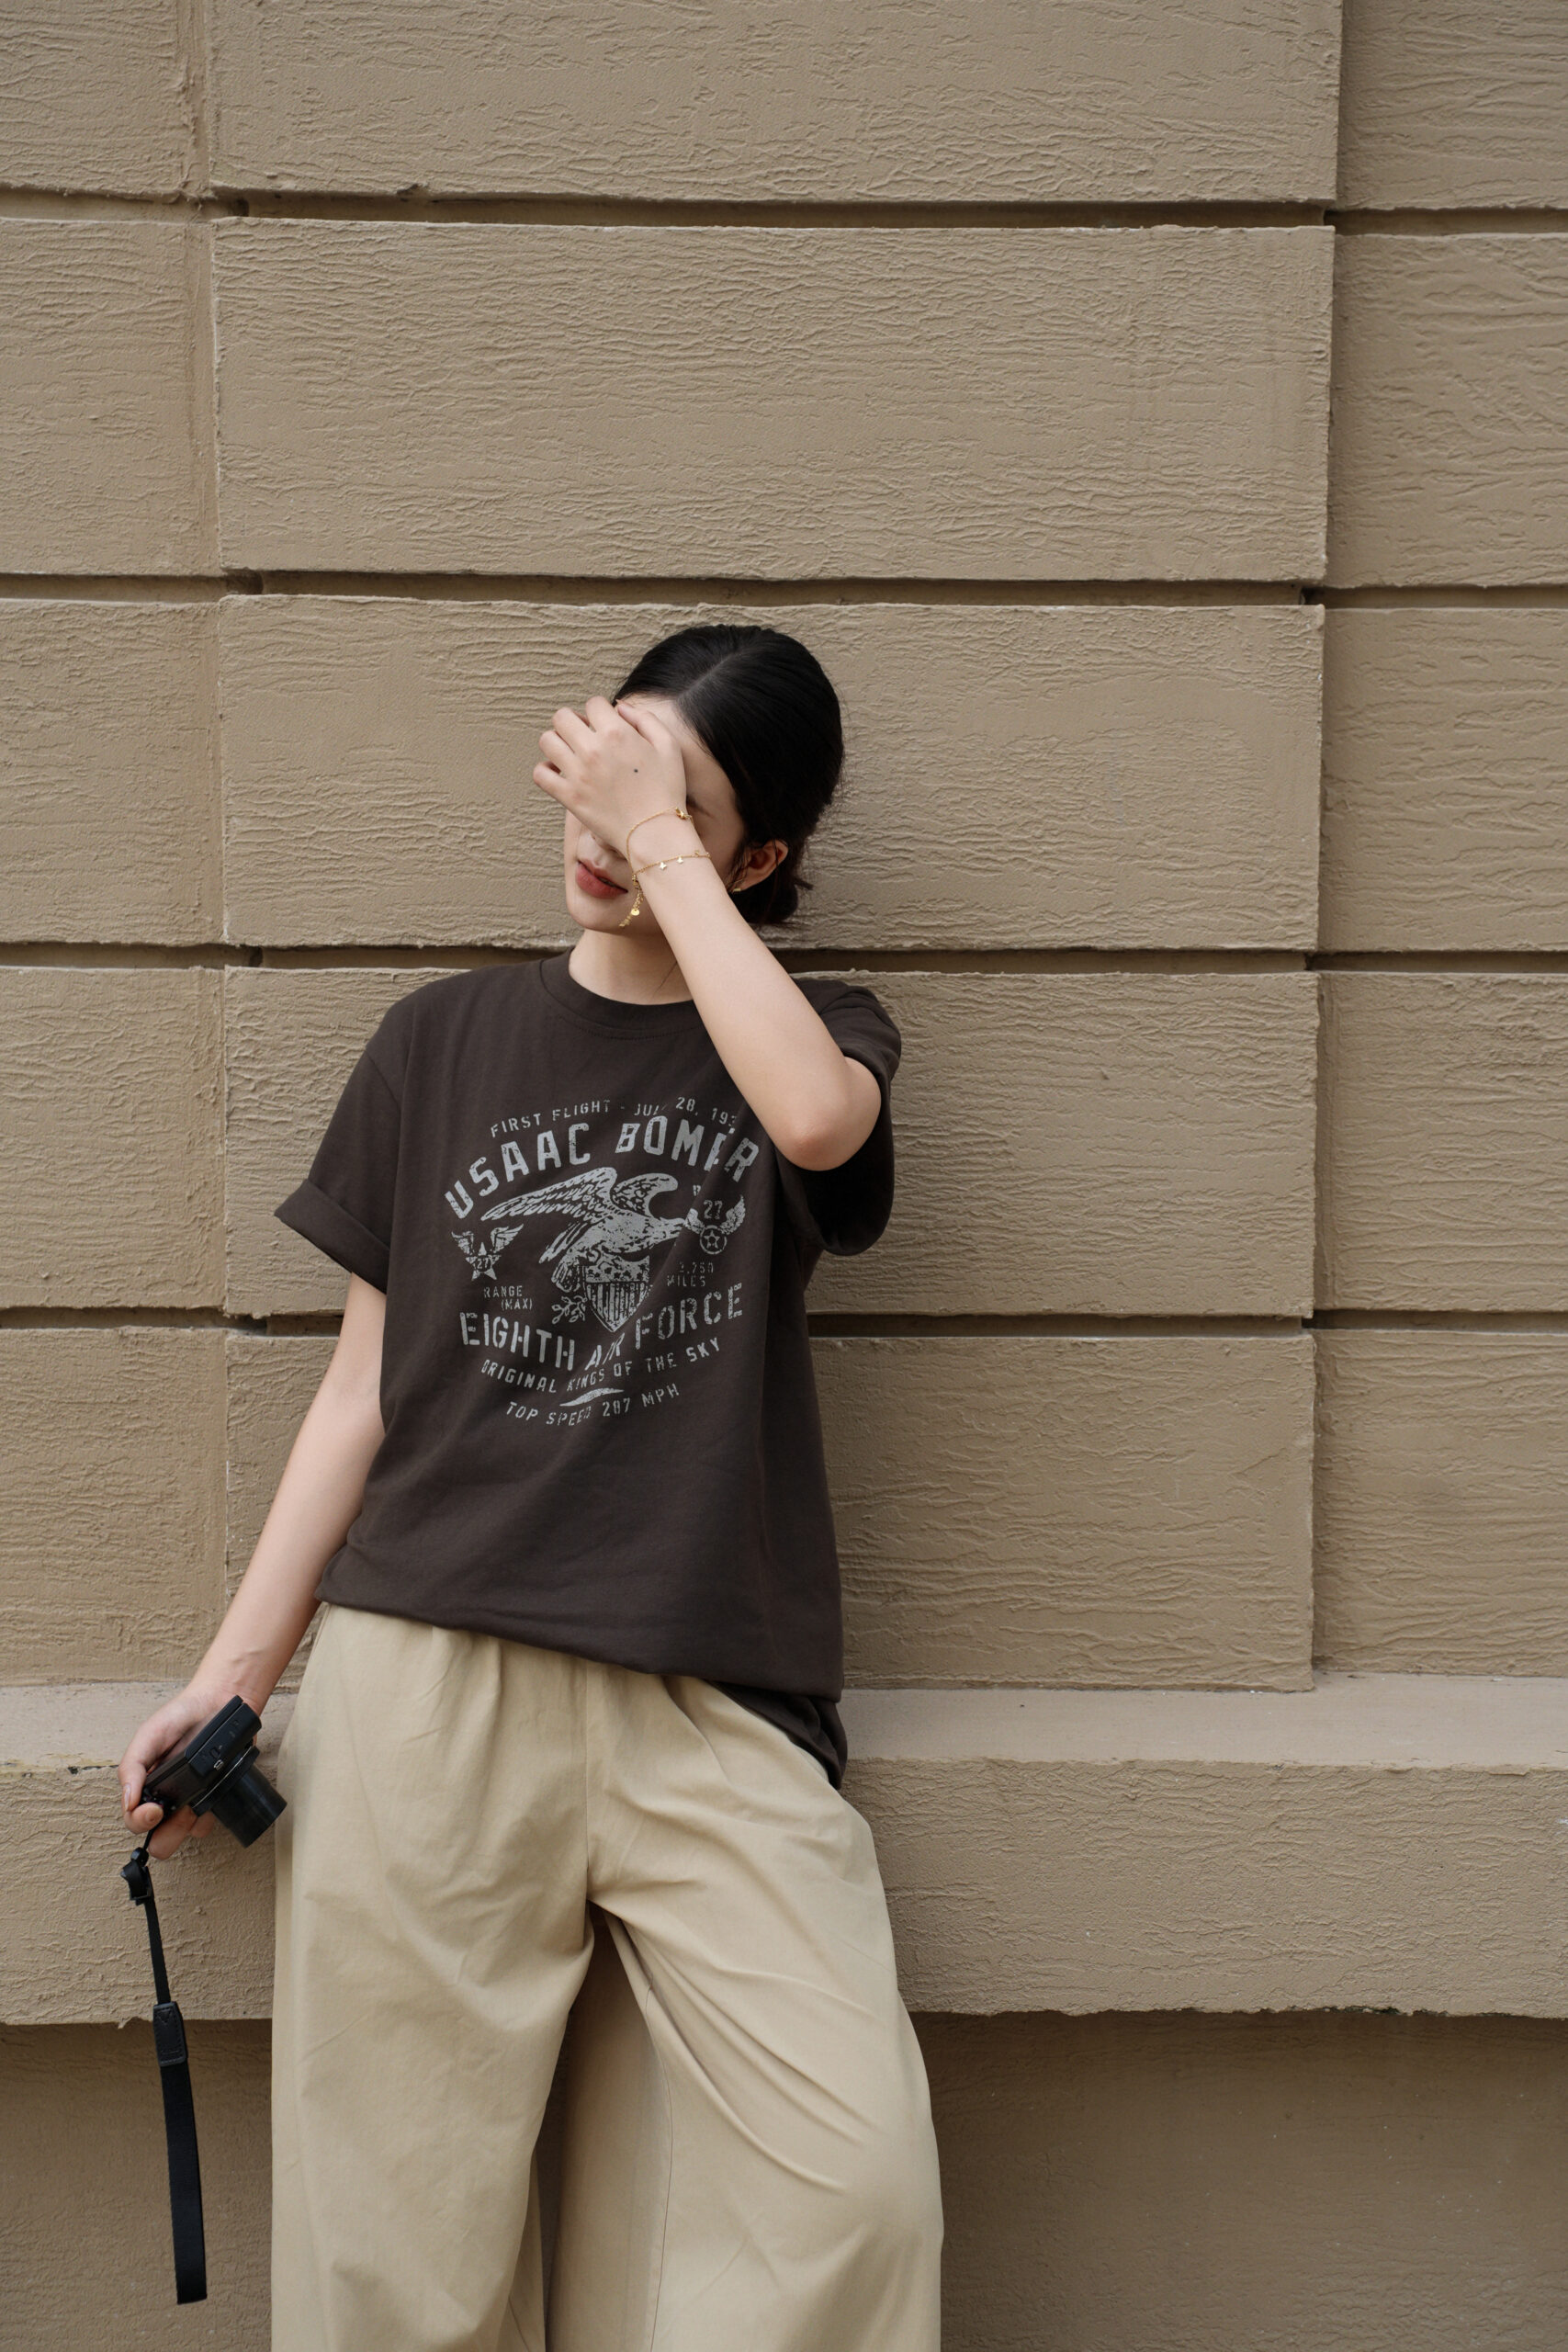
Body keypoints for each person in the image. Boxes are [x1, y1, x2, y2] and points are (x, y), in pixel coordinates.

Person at [118, 623, 944, 2352]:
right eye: (605, 762)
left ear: (757, 860)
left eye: (673, 799)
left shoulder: (820, 1036)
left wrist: (657, 842)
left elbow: (815, 1125)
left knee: (846, 2195)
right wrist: (233, 1680)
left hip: (711, 1696)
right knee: (397, 2255)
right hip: (430, 1681)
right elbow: (362, 1395)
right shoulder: (440, 1044)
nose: (605, 821)